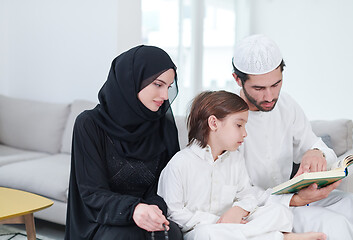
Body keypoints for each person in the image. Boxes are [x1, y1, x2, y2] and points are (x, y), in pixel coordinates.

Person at [232, 34, 353, 239]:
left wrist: (315, 152)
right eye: (259, 88)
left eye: (275, 84)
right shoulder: (226, 116)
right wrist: (295, 200)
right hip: (260, 208)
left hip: (292, 197)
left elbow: (314, 144)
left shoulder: (285, 104)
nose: (269, 97)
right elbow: (232, 191)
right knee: (333, 224)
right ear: (237, 79)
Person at [158, 90, 326, 240]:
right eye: (239, 125)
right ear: (214, 123)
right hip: (204, 229)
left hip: (236, 223)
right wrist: (218, 221)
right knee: (207, 235)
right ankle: (281, 238)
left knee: (280, 212)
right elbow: (173, 213)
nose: (245, 133)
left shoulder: (235, 159)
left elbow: (247, 195)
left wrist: (239, 209)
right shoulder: (180, 164)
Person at [65, 45, 183, 240]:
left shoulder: (164, 126)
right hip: (100, 219)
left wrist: (152, 209)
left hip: (149, 216)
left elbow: (168, 184)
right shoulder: (89, 124)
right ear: (132, 81)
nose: (164, 96)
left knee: (171, 233)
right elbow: (91, 193)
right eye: (158, 84)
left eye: (168, 87)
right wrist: (134, 209)